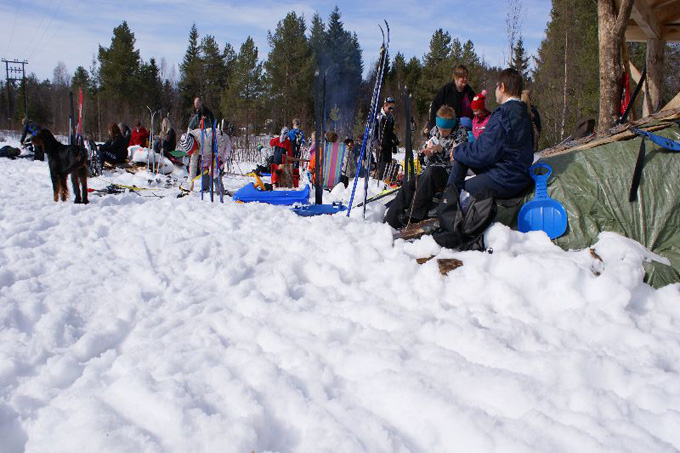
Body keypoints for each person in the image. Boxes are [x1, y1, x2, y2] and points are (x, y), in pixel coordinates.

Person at [448, 68, 535, 199]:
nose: (495, 91)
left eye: (496, 87)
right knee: (463, 157)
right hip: (519, 176)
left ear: (503, 87)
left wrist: (456, 151)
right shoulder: (524, 114)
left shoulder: (504, 114)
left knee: (461, 192)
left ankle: (447, 204)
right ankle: (447, 199)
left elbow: (483, 153)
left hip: (506, 179)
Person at [384, 105, 468, 229]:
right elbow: (425, 159)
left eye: (445, 131)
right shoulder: (434, 130)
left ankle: (414, 216)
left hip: (448, 172)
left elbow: (458, 159)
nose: (441, 133)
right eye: (440, 129)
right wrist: (426, 154)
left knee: (430, 173)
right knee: (409, 185)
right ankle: (390, 221)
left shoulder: (460, 133)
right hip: (431, 171)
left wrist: (441, 150)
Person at [425, 65, 476, 136]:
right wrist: (433, 128)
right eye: (462, 77)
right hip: (447, 129)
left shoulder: (470, 93)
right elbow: (435, 108)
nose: (465, 79)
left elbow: (475, 111)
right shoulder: (446, 90)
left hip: (467, 131)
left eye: (466, 77)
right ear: (456, 77)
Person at [374, 96, 399, 180]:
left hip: (388, 145)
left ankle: (386, 181)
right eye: (390, 107)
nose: (391, 109)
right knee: (382, 164)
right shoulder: (379, 117)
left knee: (388, 163)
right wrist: (376, 143)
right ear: (385, 105)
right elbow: (373, 132)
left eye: (393, 107)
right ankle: (379, 180)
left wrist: (394, 143)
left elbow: (390, 132)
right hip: (381, 145)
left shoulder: (391, 117)